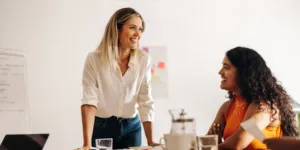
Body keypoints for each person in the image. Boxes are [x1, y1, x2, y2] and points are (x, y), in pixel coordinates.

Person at [75, 7, 159, 150]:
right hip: (102, 128)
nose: (138, 34)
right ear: (117, 29)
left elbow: (145, 100)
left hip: (132, 128)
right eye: (133, 27)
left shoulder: (144, 59)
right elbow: (89, 101)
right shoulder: (94, 59)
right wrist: (86, 145)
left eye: (140, 29)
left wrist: (151, 141)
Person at [207, 46, 299, 150]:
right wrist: (210, 144)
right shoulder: (227, 107)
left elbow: (236, 144)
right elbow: (207, 141)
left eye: (226, 67)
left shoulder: (263, 107)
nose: (220, 72)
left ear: (244, 73)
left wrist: (211, 146)